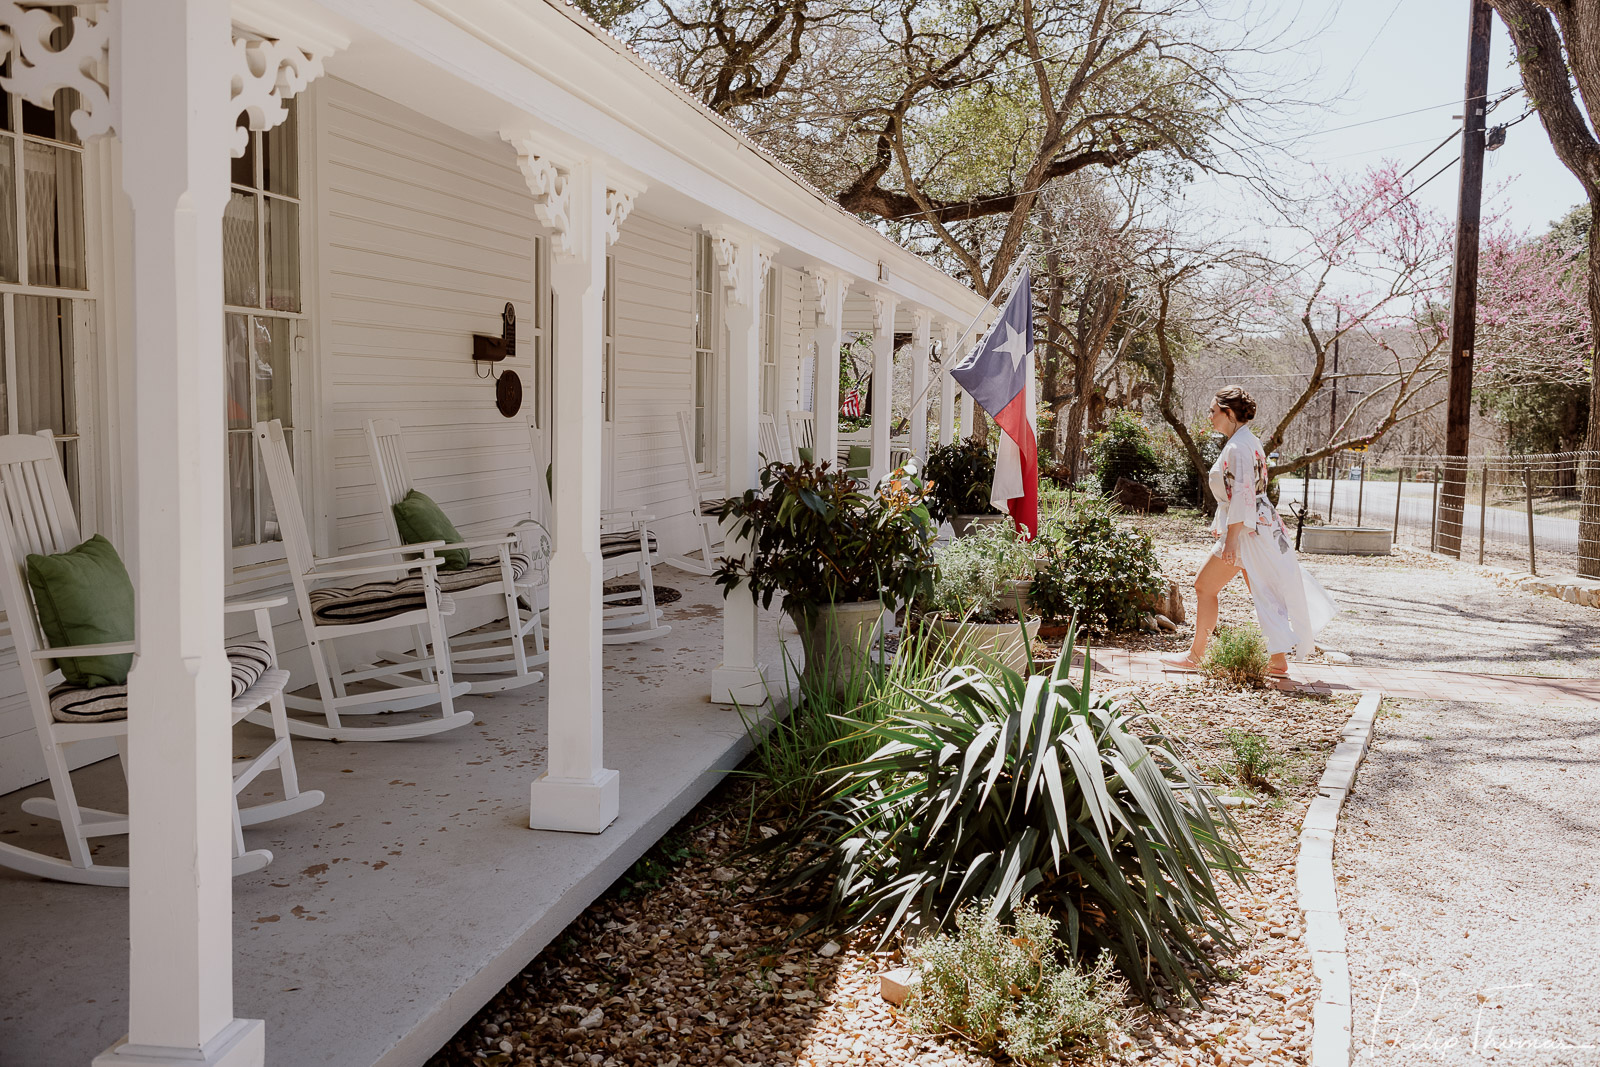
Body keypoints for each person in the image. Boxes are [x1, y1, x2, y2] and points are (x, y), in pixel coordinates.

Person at [1162, 387, 1336, 676]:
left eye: (1213, 411)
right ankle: (1277, 660)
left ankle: (1196, 656)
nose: (1209, 416)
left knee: (1205, 586)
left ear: (1228, 413)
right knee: (1262, 591)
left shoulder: (1237, 447)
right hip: (1256, 528)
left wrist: (1231, 541)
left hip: (1247, 532)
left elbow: (1243, 496)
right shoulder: (1247, 442)